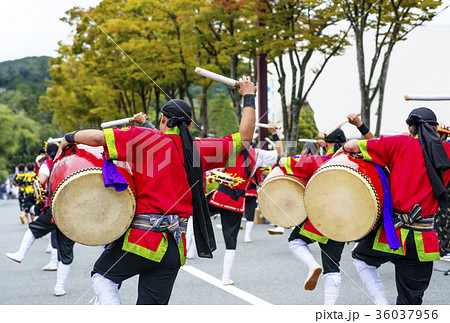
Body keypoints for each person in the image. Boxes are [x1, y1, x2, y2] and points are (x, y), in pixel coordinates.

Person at [54, 76, 257, 305]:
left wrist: (68, 137)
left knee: (103, 276)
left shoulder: (142, 139)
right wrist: (248, 95)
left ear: (163, 119)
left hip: (142, 240)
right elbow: (247, 138)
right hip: (174, 251)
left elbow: (96, 137)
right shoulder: (200, 150)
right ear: (189, 125)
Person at [335, 107, 450, 305]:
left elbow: (354, 145)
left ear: (409, 127)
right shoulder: (447, 152)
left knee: (361, 258)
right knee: (411, 301)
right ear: (435, 128)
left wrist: (343, 149)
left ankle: (382, 305)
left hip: (393, 234)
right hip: (425, 239)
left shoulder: (400, 143)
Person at [274, 113, 374, 305]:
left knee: (295, 241)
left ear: (328, 145)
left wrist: (280, 160)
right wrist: (361, 126)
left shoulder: (321, 161)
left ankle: (311, 266)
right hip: (347, 222)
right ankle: (329, 309)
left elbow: (290, 162)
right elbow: (376, 143)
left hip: (321, 218)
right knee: (333, 267)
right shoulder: (360, 162)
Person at [207, 124, 283, 285]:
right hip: (236, 201)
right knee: (231, 241)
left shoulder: (226, 150)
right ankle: (226, 277)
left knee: (193, 212)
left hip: (219, 196)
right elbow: (280, 154)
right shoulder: (257, 154)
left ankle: (189, 250)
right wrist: (274, 134)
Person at [6, 143, 75, 295]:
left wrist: (41, 184)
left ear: (47, 154)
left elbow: (41, 178)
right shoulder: (73, 161)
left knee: (33, 228)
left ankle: (21, 254)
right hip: (73, 213)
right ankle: (59, 287)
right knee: (66, 251)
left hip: (55, 209)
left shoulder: (49, 163)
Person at [434, 122, 450, 260]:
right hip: (442, 189)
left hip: (447, 189)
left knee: (444, 220)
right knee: (440, 219)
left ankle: (444, 249)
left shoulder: (444, 148)